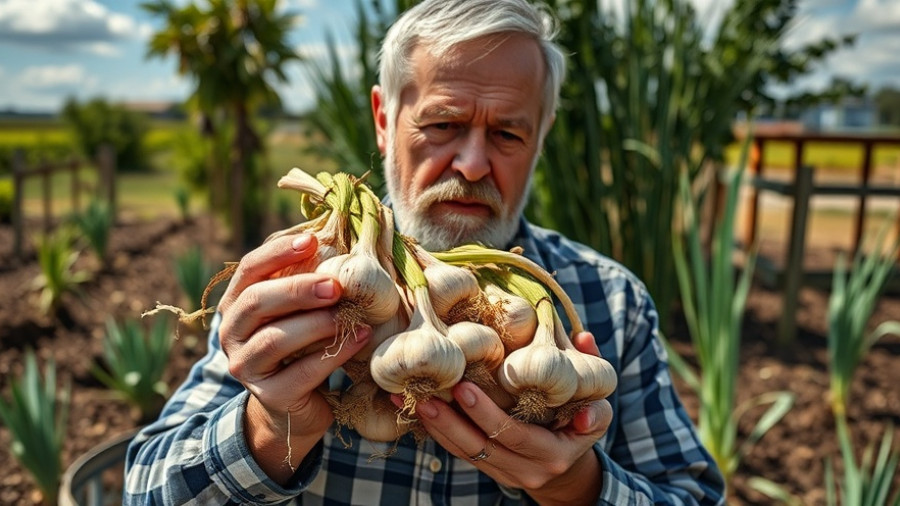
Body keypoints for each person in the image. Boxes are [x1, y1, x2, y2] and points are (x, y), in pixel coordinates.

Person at [124, 0, 725, 504]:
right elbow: (143, 488)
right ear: (385, 120)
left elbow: (692, 492)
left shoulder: (611, 302)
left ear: (540, 139)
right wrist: (268, 427)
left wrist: (577, 488)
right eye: (442, 125)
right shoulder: (298, 283)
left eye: (508, 133)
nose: (471, 164)